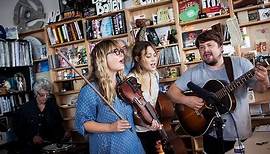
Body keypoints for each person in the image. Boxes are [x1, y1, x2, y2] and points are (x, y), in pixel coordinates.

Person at [167, 29, 269, 154]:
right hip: (211, 137)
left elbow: (261, 89)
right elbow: (171, 92)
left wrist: (264, 80)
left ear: (221, 47)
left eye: (210, 45)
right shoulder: (193, 72)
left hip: (241, 134)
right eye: (201, 47)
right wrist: (187, 100)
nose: (205, 50)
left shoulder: (241, 64)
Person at [74, 39, 145, 154]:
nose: (122, 54)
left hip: (132, 146)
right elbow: (83, 123)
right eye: (116, 51)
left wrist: (149, 122)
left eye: (121, 51)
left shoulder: (126, 86)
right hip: (108, 148)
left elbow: (131, 117)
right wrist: (111, 127)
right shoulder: (90, 90)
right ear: (102, 58)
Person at [128, 41, 163, 154]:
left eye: (154, 55)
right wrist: (147, 124)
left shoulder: (155, 74)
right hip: (139, 131)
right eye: (148, 56)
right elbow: (129, 113)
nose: (153, 59)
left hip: (155, 125)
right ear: (137, 59)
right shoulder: (131, 80)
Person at [15, 78, 67, 154]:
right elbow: (19, 130)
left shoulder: (52, 105)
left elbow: (58, 123)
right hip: (32, 148)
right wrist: (32, 138)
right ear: (36, 93)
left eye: (47, 95)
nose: (45, 97)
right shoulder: (25, 109)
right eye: (42, 95)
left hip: (51, 146)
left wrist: (64, 134)